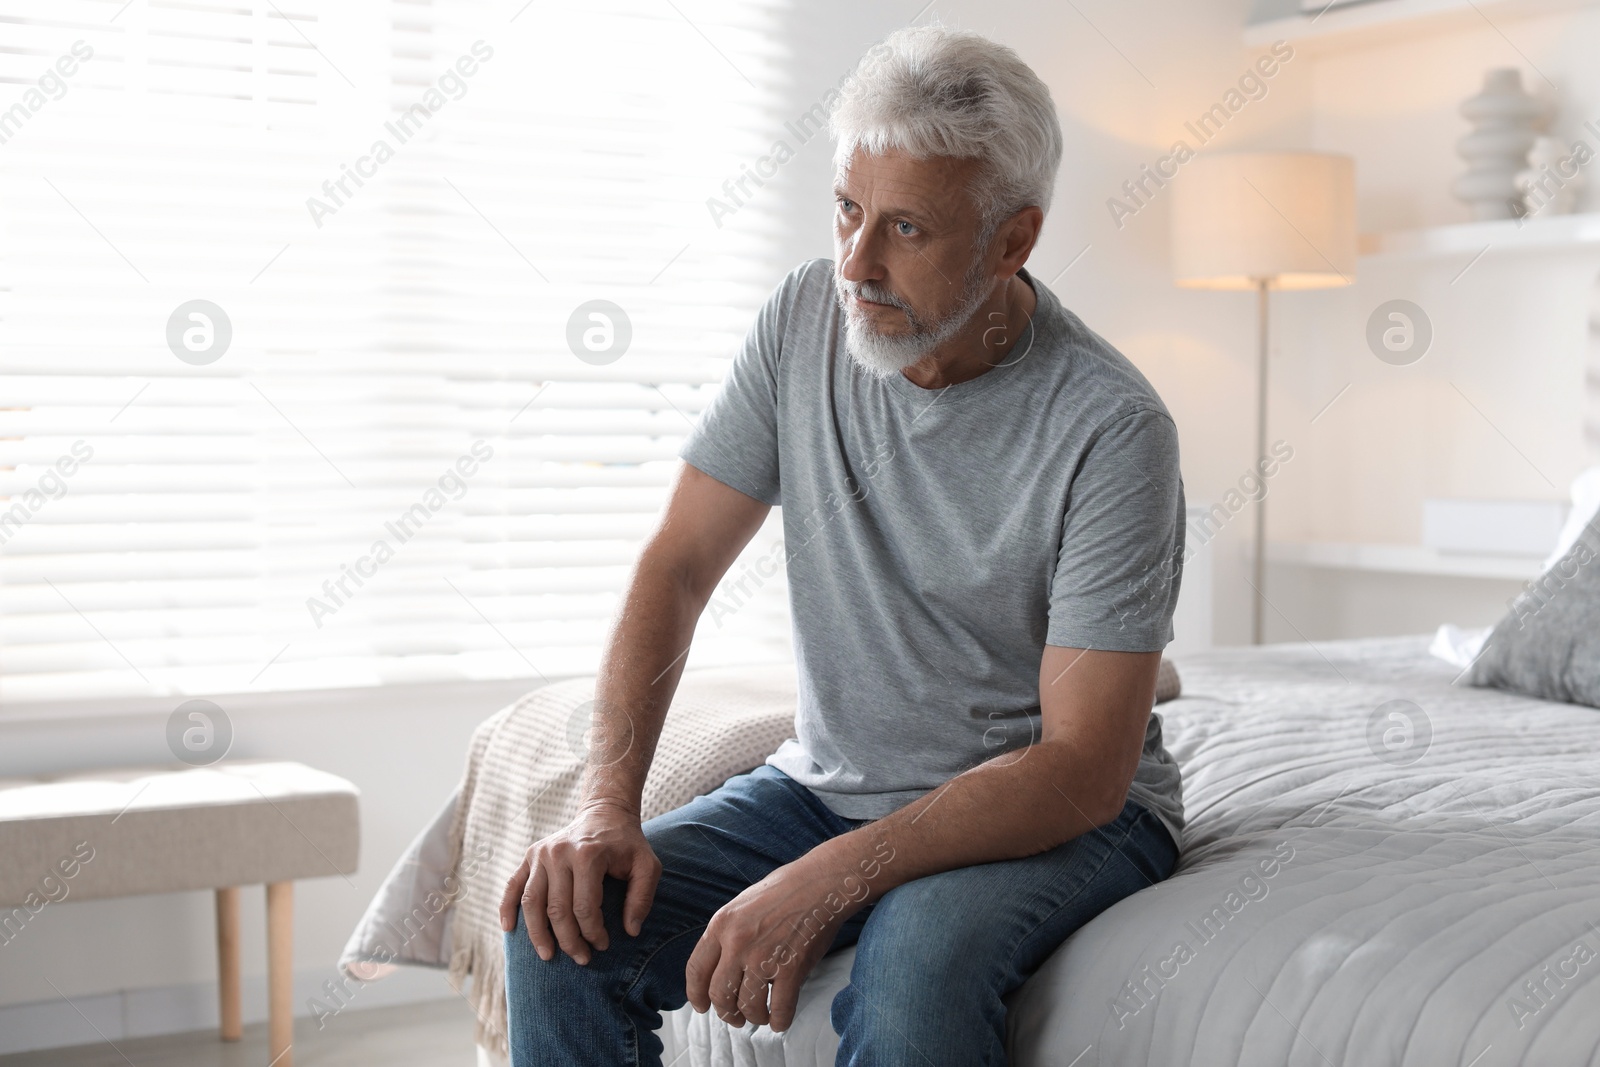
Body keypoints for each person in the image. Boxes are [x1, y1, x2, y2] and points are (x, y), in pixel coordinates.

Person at [500, 23, 1187, 1067]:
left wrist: (838, 872)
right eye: (846, 212)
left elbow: (1083, 768)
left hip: (1067, 813)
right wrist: (606, 805)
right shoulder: (800, 323)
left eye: (906, 228)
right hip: (825, 786)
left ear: (1012, 240)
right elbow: (677, 565)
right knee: (560, 930)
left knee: (911, 978)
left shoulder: (1110, 427)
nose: (856, 263)